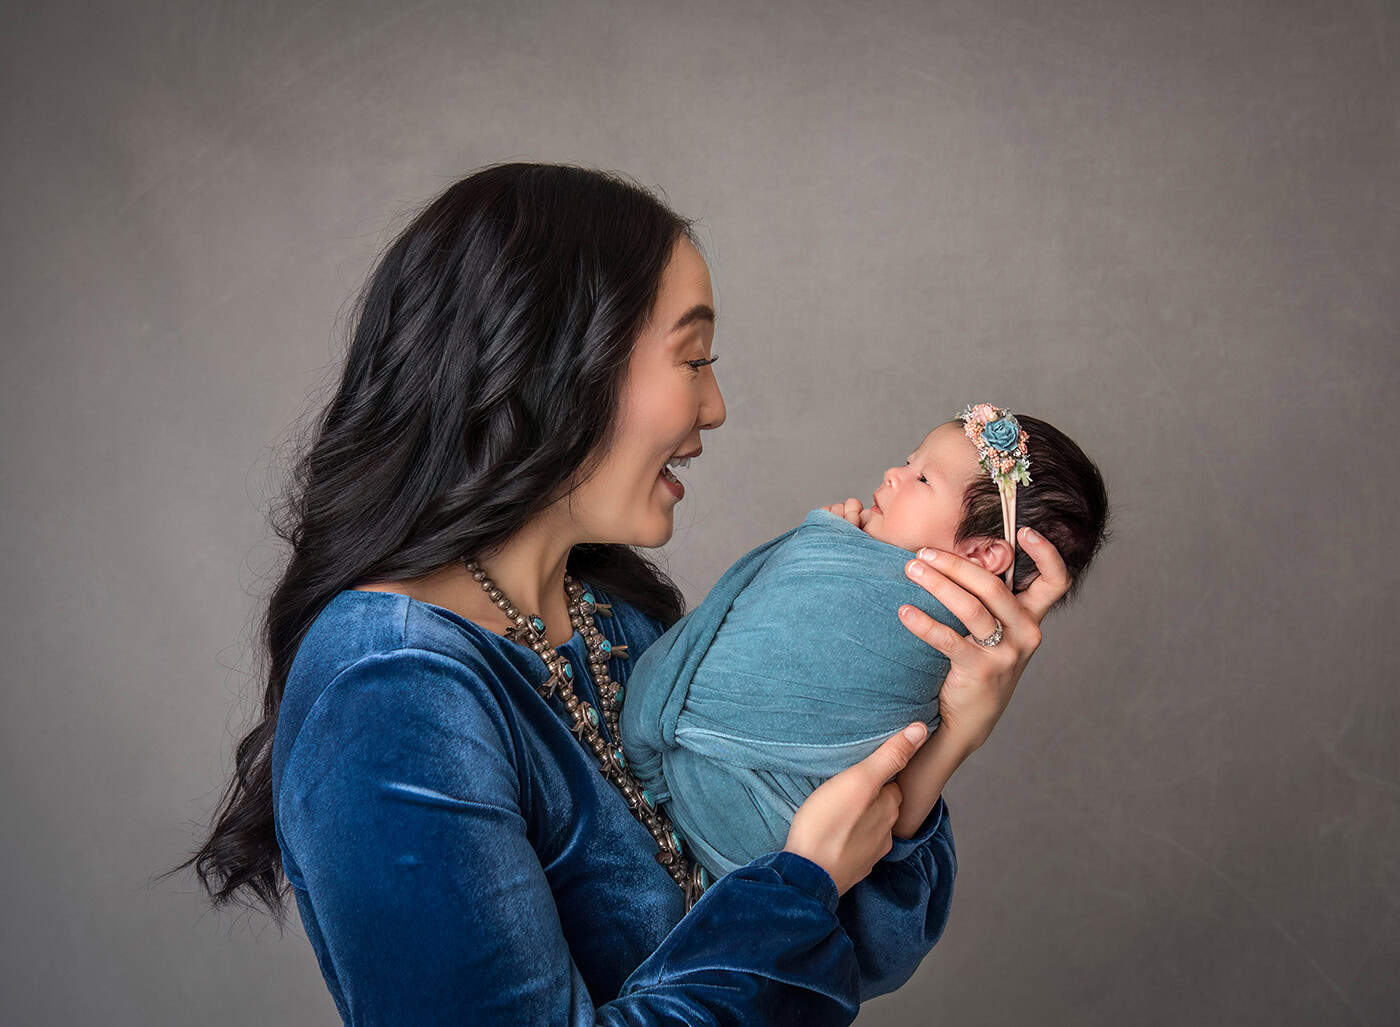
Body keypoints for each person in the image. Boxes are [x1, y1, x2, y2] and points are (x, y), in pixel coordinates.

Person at [178, 161, 1072, 1025]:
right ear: (555, 364)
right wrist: (799, 885)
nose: (715, 406)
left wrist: (947, 734)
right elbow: (801, 901)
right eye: (693, 357)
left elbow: (860, 953)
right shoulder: (388, 689)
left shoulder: (620, 625)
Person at [620, 410, 1110, 881]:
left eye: (922, 480)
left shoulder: (925, 622)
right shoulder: (873, 572)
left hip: (759, 822)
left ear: (983, 554)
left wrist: (821, 541)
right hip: (764, 846)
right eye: (909, 461)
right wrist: (825, 547)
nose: (894, 473)